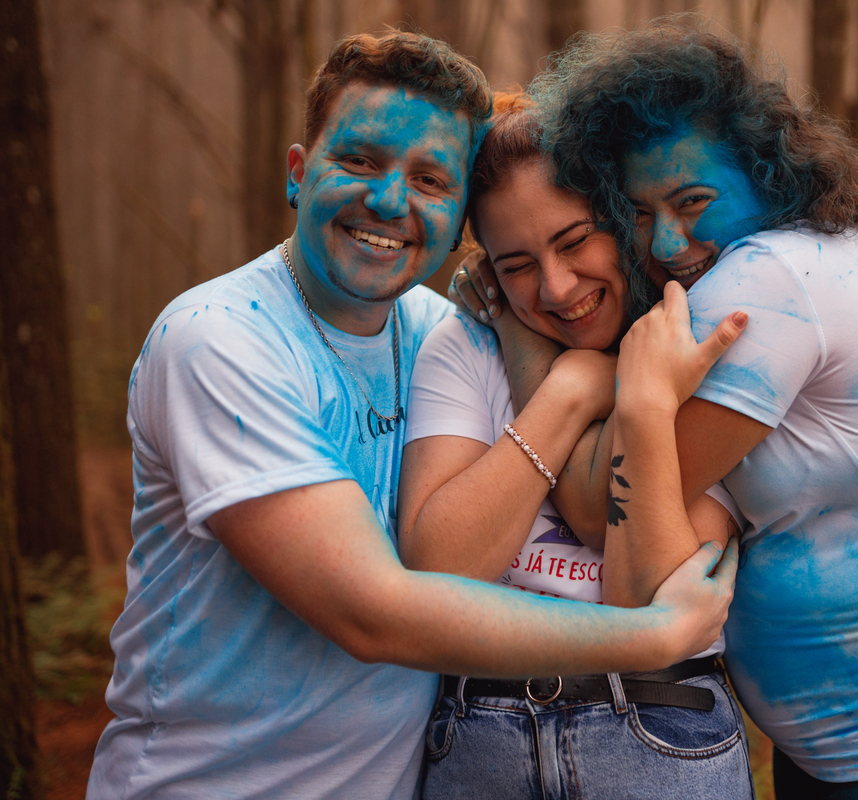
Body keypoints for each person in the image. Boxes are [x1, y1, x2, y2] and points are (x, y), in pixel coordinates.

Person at [86, 31, 737, 800]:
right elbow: (372, 613)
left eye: (429, 180)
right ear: (298, 172)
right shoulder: (218, 341)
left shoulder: (442, 331)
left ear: (459, 218)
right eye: (359, 161)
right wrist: (656, 633)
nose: (391, 201)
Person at [466, 19, 858, 800]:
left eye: (693, 201)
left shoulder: (764, 283)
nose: (667, 243)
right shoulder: (832, 249)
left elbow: (595, 506)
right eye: (641, 214)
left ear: (766, 171)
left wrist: (521, 336)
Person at [397, 94, 754, 799]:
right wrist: (570, 389)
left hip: (661, 724)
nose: (556, 288)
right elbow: (437, 571)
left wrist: (640, 401)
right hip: (480, 733)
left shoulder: (696, 336)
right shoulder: (465, 346)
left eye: (574, 241)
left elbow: (646, 597)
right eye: (517, 265)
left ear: (622, 217)